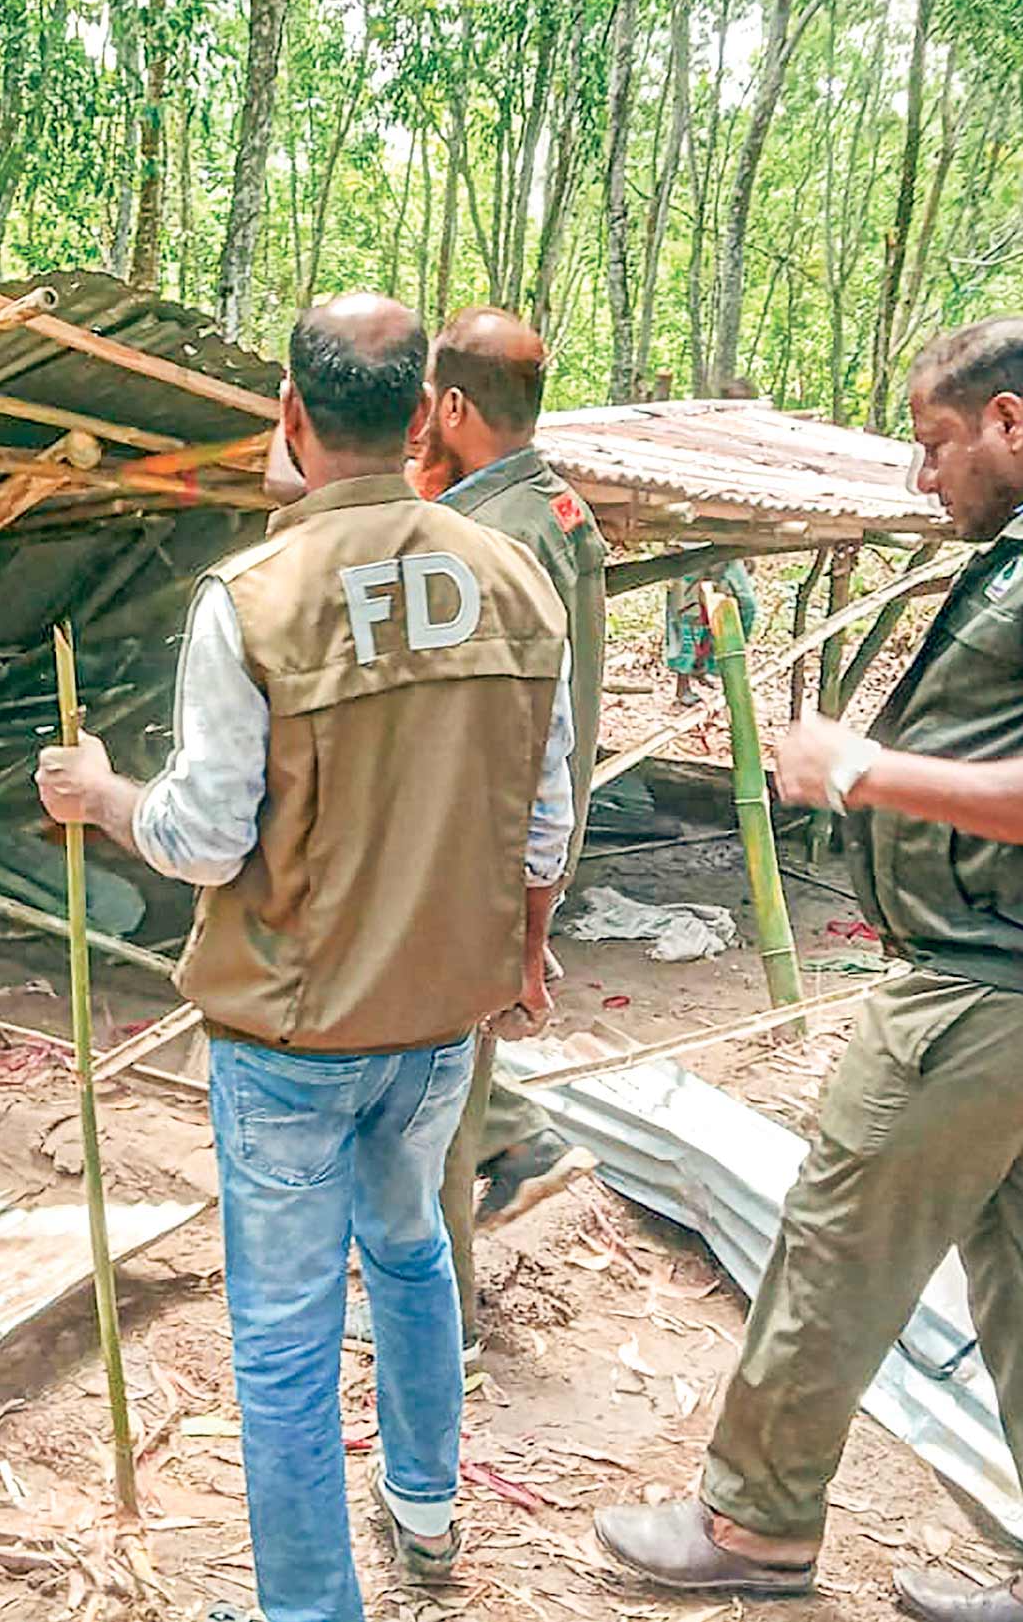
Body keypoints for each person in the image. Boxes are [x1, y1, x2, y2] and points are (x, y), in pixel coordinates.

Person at [593, 319, 1023, 1622]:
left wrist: (859, 768)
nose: (922, 477)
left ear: (1012, 425)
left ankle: (752, 1524)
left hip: (996, 984)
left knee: (834, 1241)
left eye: (933, 445)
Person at [37, 293, 577, 1622]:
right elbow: (547, 816)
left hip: (289, 1032)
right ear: (419, 422)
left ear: (288, 412)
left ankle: (305, 1606)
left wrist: (104, 795)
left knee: (281, 1333)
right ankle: (429, 1507)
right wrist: (516, 947)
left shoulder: (253, 596)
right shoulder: (515, 572)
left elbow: (207, 837)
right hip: (441, 1022)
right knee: (408, 1251)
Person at [409, 307, 602, 1350]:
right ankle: (520, 1139)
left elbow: (501, 717)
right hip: (531, 822)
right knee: (459, 1066)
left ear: (449, 406)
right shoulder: (553, 503)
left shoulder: (486, 536)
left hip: (490, 834)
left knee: (437, 1086)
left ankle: (438, 1314)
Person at [663, 560, 760, 707]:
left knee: (745, 605)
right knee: (687, 614)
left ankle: (707, 664)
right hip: (687, 548)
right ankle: (683, 684)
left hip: (727, 549)